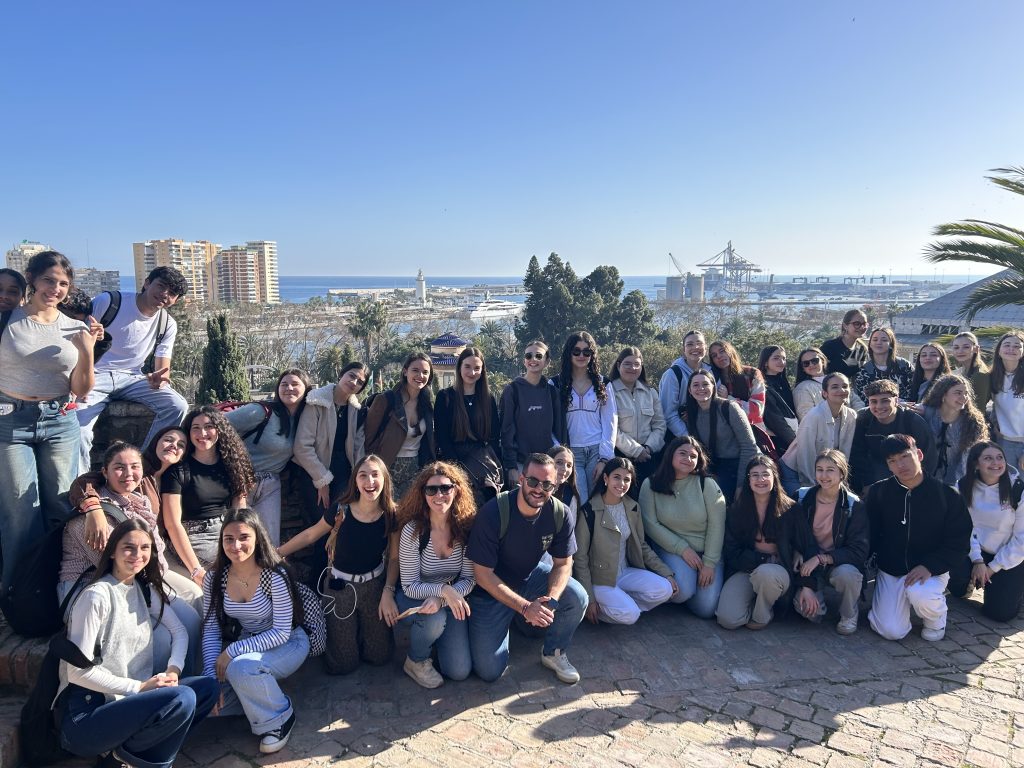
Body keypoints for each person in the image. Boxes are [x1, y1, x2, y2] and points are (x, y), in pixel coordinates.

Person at [56, 518, 218, 768]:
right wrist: (140, 687)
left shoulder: (143, 589)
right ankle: (135, 761)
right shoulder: (96, 597)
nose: (137, 555)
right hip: (87, 716)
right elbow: (77, 673)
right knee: (182, 698)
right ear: (112, 552)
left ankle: (123, 757)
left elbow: (179, 632)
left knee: (207, 688)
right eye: (129, 548)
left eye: (144, 548)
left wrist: (173, 670)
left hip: (128, 705)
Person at [0, 250, 102, 590]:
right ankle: (18, 592)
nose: (55, 289)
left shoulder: (76, 326)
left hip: (59, 421)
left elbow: (81, 389)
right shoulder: (8, 319)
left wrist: (87, 349)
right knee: (20, 512)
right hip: (10, 422)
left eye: (63, 284)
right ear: (31, 278)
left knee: (61, 503)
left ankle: (62, 585)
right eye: (48, 280)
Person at [61, 441, 201, 672]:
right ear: (105, 472)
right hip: (94, 585)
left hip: (143, 575)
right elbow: (114, 568)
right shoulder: (92, 516)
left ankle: (189, 677)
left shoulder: (139, 501)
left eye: (135, 466)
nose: (128, 474)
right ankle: (153, 685)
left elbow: (156, 551)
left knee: (193, 614)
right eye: (119, 467)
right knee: (163, 637)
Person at [466, 452, 588, 684]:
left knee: (577, 597)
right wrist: (524, 607)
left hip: (527, 578)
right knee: (489, 670)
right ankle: (514, 619)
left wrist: (551, 600)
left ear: (555, 486)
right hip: (490, 591)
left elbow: (563, 564)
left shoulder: (560, 513)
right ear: (521, 479)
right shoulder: (494, 512)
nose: (538, 489)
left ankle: (553, 652)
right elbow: (482, 575)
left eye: (546, 484)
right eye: (533, 481)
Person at [202, 509, 310, 754]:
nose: (236, 546)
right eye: (229, 539)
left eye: (243, 537)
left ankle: (280, 719)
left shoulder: (275, 575)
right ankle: (258, 696)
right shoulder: (215, 578)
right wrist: (210, 679)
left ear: (258, 538)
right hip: (248, 644)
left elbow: (281, 632)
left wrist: (233, 651)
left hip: (288, 643)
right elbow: (210, 628)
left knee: (240, 668)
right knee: (207, 701)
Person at [278, 454, 399, 674]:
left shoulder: (391, 514)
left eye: (375, 475)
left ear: (384, 479)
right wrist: (277, 554)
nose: (370, 481)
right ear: (355, 481)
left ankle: (362, 631)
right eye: (363, 475)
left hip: (374, 586)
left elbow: (394, 557)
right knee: (343, 664)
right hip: (340, 587)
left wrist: (388, 592)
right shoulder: (341, 510)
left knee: (380, 656)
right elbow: (311, 534)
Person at [74, 267, 190, 470]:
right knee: (79, 428)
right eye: (161, 286)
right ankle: (81, 482)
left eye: (172, 293)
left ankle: (144, 467)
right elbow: (77, 339)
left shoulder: (167, 323)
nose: (164, 294)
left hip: (132, 378)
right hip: (94, 375)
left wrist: (158, 379)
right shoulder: (109, 302)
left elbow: (163, 367)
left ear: (175, 300)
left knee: (177, 406)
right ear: (147, 283)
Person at [865, 434, 971, 641]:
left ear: (919, 454)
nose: (900, 465)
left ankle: (935, 618)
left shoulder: (947, 495)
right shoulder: (879, 492)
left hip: (931, 569)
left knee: (921, 594)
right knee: (891, 631)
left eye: (905, 456)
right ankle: (896, 601)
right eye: (892, 461)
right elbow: (870, 534)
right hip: (892, 569)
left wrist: (930, 566)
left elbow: (959, 542)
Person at [395, 461, 477, 687]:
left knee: (459, 671)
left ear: (456, 490)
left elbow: (469, 578)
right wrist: (443, 590)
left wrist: (443, 597)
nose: (439, 495)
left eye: (445, 488)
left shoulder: (465, 527)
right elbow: (409, 585)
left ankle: (436, 641)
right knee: (435, 619)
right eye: (431, 489)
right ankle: (416, 660)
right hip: (413, 597)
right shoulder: (414, 531)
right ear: (423, 494)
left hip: (449, 599)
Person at [574, 457, 675, 624]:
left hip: (625, 572)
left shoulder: (633, 507)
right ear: (605, 478)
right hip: (600, 579)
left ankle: (623, 603)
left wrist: (666, 573)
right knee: (630, 615)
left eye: (627, 479)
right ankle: (596, 610)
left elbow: (641, 545)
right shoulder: (589, 511)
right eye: (616, 477)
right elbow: (580, 558)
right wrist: (590, 598)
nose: (622, 483)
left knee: (665, 589)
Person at [716, 456, 814, 630]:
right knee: (728, 620)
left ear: (774, 477)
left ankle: (762, 615)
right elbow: (731, 552)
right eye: (755, 475)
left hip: (778, 571)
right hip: (745, 568)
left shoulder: (792, 510)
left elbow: (808, 547)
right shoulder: (736, 511)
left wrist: (807, 585)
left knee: (765, 574)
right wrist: (763, 559)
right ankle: (756, 599)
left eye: (765, 474)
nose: (760, 479)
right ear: (748, 480)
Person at [162, 406, 255, 587]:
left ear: (219, 430)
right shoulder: (178, 471)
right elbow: (173, 524)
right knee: (232, 577)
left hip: (226, 528)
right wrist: (196, 570)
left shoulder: (231, 464)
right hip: (195, 535)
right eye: (195, 428)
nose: (202, 433)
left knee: (266, 564)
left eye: (209, 427)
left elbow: (239, 508)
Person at [639, 435, 727, 618]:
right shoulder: (651, 484)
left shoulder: (707, 484)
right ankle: (683, 591)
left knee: (706, 609)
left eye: (693, 456)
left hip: (706, 552)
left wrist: (709, 563)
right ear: (671, 454)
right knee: (683, 591)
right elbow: (650, 524)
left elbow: (717, 525)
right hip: (673, 549)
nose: (688, 459)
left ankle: (689, 590)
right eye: (683, 453)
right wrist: (682, 549)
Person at [227, 369, 311, 545]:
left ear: (306, 389)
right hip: (242, 480)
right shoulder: (261, 411)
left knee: (269, 541)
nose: (289, 388)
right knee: (238, 536)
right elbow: (217, 425)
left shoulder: (305, 419)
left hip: (271, 483)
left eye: (295, 384)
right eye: (284, 384)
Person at [792, 450, 868, 635]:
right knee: (809, 612)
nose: (824, 475)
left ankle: (849, 613)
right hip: (808, 563)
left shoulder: (854, 505)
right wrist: (796, 553)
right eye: (819, 469)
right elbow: (790, 536)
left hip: (838, 562)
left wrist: (822, 558)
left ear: (842, 473)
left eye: (830, 470)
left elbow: (858, 551)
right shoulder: (801, 498)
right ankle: (814, 596)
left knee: (849, 575)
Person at [949, 442, 1024, 621]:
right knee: (956, 589)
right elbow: (964, 528)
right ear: (976, 464)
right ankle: (968, 582)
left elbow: (1021, 539)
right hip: (975, 551)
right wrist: (977, 560)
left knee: (1000, 614)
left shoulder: (1017, 490)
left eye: (999, 458)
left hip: (1008, 555)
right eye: (988, 458)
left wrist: (992, 568)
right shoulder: (963, 487)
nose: (996, 463)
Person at [293, 361, 370, 510]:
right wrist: (322, 480)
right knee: (319, 518)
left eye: (360, 382)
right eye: (351, 376)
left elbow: (358, 450)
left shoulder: (357, 412)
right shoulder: (316, 401)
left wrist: (359, 478)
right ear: (341, 374)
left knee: (340, 518)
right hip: (314, 472)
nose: (354, 382)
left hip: (344, 475)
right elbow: (302, 447)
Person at [434, 347, 502, 505]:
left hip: (483, 466)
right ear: (459, 367)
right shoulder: (445, 397)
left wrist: (492, 464)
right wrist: (457, 469)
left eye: (477, 368)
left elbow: (494, 436)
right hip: (454, 464)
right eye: (467, 366)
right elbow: (442, 437)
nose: (472, 372)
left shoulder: (488, 398)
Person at [555, 331, 617, 502]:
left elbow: (610, 421)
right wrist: (559, 452)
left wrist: (605, 458)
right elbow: (550, 423)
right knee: (579, 501)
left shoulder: (603, 383)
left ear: (592, 354)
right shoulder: (555, 384)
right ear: (569, 353)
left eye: (586, 352)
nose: (581, 356)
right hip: (570, 452)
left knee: (597, 500)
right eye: (576, 351)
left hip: (597, 451)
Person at [364, 351, 436, 500]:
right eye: (415, 370)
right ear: (405, 371)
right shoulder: (386, 400)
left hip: (415, 470)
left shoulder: (428, 404)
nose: (420, 376)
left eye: (425, 372)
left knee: (409, 512)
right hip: (386, 467)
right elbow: (368, 439)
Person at [849, 379, 937, 493]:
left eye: (885, 401)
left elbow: (929, 458)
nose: (879, 406)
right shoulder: (862, 419)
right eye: (874, 401)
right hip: (875, 476)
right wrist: (867, 484)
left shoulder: (913, 422)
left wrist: (920, 486)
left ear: (896, 400)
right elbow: (857, 455)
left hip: (909, 474)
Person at [499, 339, 565, 488]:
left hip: (547, 466)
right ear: (524, 361)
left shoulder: (552, 393)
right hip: (521, 464)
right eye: (528, 356)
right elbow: (506, 431)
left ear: (547, 361)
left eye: (538, 356)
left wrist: (560, 462)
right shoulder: (512, 390)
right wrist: (511, 466)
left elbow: (559, 431)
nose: (533, 359)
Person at [683, 370, 757, 501]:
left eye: (705, 384)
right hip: (713, 466)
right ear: (689, 390)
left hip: (737, 465)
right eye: (695, 385)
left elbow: (749, 447)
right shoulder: (691, 415)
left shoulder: (729, 408)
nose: (701, 388)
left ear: (713, 387)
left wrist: (741, 485)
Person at [785, 373, 857, 488]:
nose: (841, 390)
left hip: (824, 471)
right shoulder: (814, 416)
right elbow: (805, 455)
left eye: (845, 386)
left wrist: (842, 480)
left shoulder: (851, 415)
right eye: (835, 387)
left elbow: (845, 451)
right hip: (795, 471)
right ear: (824, 393)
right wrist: (810, 487)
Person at [608, 346, 667, 485]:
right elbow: (611, 428)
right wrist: (635, 450)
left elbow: (660, 425)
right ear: (618, 365)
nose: (632, 368)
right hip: (620, 457)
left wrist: (648, 448)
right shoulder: (609, 392)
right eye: (627, 364)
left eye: (636, 364)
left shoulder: (651, 392)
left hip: (649, 456)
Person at [919, 374, 989, 486]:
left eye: (966, 393)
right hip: (925, 479)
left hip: (958, 482)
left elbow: (973, 457)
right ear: (943, 394)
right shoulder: (926, 415)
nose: (964, 397)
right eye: (958, 393)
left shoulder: (973, 422)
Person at [659, 330, 713, 439]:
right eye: (690, 344)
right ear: (684, 350)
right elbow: (668, 414)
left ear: (705, 348)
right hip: (680, 438)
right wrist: (690, 439)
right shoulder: (673, 374)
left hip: (710, 434)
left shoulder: (712, 372)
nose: (695, 347)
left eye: (699, 343)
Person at [709, 340, 767, 427]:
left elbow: (756, 411)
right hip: (726, 430)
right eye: (714, 355)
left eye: (722, 351)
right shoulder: (712, 380)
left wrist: (728, 398)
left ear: (730, 351)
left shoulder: (752, 374)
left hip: (754, 429)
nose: (719, 356)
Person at [990, 331, 1024, 472]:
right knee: (1008, 483)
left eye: (1017, 346)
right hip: (1004, 443)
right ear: (999, 351)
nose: (1011, 349)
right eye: (1007, 345)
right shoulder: (992, 377)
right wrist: (994, 424)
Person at [853, 327, 913, 404]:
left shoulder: (904, 365)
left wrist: (899, 403)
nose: (879, 343)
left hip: (904, 409)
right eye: (875, 340)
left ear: (891, 344)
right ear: (870, 344)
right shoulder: (864, 370)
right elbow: (863, 397)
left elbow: (913, 390)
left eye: (884, 340)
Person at [758, 345, 798, 455]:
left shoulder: (783, 383)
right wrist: (795, 442)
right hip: (778, 443)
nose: (781, 362)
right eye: (776, 358)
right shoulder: (762, 386)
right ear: (765, 362)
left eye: (784, 358)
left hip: (793, 436)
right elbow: (775, 419)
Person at [820, 309, 870, 381]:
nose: (862, 327)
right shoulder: (830, 347)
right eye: (857, 324)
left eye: (864, 324)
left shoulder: (862, 349)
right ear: (845, 326)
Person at [950, 331, 991, 413]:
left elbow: (978, 409)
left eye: (966, 347)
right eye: (956, 347)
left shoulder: (980, 375)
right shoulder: (962, 371)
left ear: (976, 349)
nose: (960, 351)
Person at [793, 347, 827, 421]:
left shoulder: (838, 380)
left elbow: (853, 404)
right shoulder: (802, 389)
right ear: (803, 368)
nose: (811, 365)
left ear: (822, 361)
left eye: (814, 361)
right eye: (806, 363)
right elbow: (807, 418)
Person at [548, 445, 582, 519]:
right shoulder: (534, 488)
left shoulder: (570, 495)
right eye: (559, 462)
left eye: (569, 465)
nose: (564, 469)